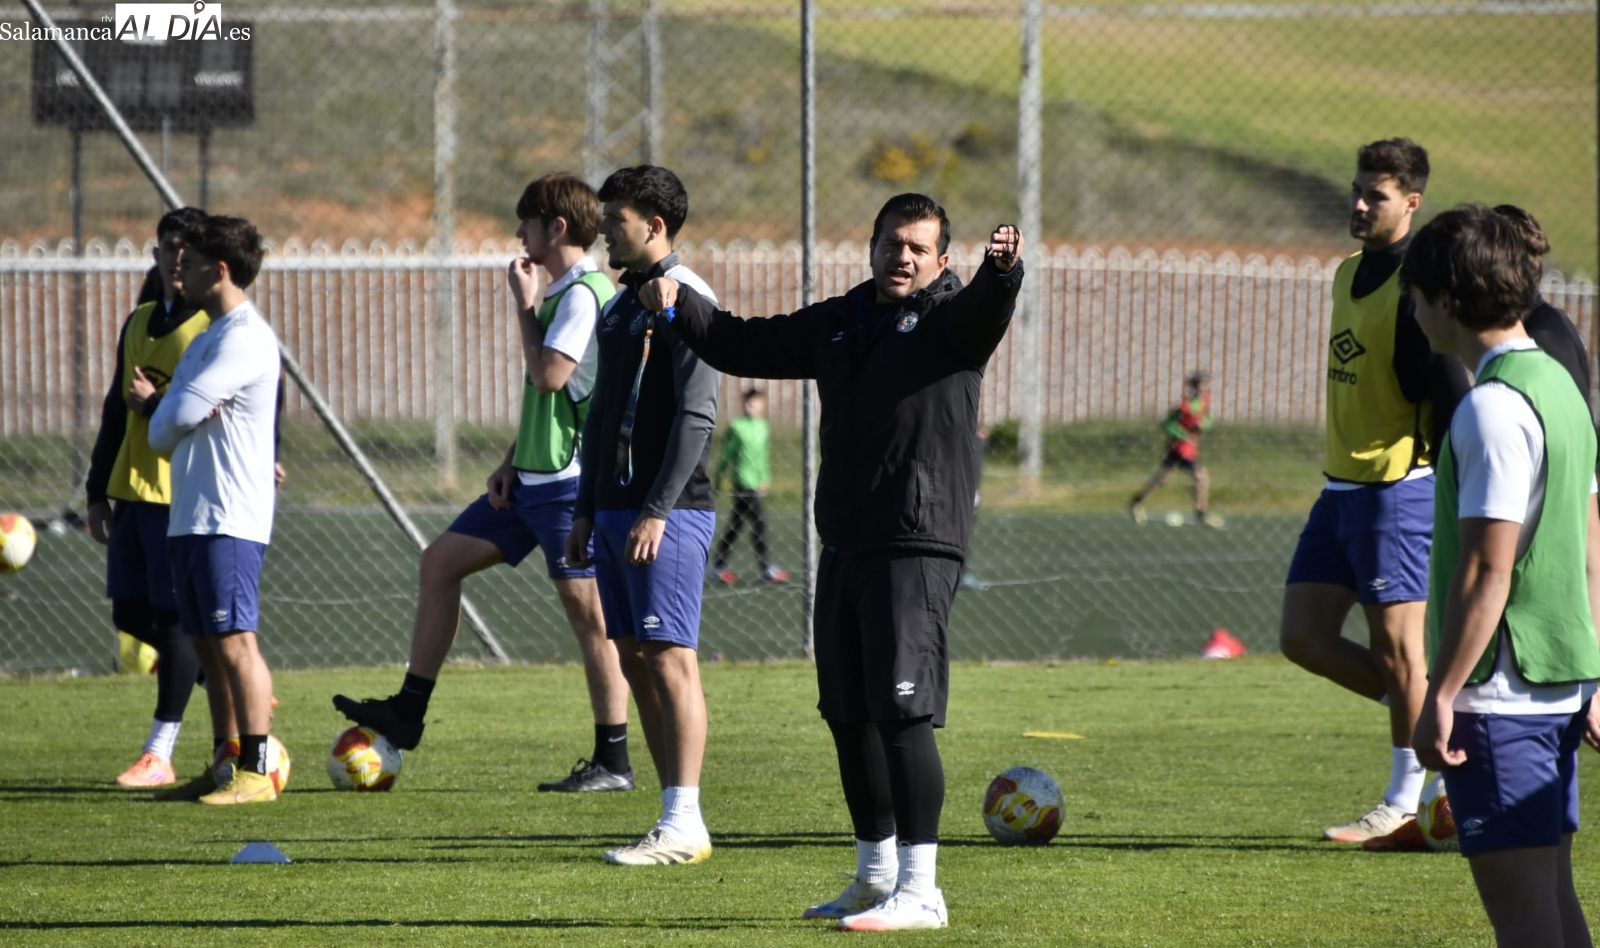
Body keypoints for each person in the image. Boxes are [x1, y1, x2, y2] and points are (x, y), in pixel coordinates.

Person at [638, 194, 1024, 930]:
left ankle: (923, 890)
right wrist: (673, 292)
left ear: (942, 260)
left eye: (918, 247)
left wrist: (1002, 271)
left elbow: (986, 307)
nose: (902, 256)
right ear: (871, 245)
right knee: (849, 714)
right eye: (891, 243)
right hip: (845, 543)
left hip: (915, 542)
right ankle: (876, 876)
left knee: (903, 712)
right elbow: (741, 343)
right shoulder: (842, 320)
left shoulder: (951, 321)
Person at [333, 172, 636, 794]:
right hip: (531, 477)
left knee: (590, 619)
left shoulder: (583, 294)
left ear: (556, 228)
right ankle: (408, 712)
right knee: (440, 561)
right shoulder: (562, 293)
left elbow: (552, 376)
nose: (517, 233)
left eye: (525, 222)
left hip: (567, 484)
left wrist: (523, 305)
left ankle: (614, 760)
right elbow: (551, 393)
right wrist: (509, 458)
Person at [1404, 204, 1600, 948]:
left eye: (1417, 297)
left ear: (1448, 301)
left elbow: (1489, 569)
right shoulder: (1560, 388)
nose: (1414, 313)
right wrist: (1595, 675)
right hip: (1558, 687)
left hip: (1498, 701)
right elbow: (1590, 547)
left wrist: (1442, 692)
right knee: (1556, 909)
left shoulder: (1489, 409)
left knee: (1526, 930)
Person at [1277, 138, 1472, 843]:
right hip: (1339, 491)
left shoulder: (1418, 291)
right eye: (1356, 190)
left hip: (1398, 491)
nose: (1359, 204)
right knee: (1302, 638)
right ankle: (1447, 719)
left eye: (1377, 196)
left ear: (1412, 203)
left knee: (1400, 655)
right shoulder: (1347, 272)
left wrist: (1456, 490)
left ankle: (1405, 801)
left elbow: (1453, 395)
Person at [563, 165, 721, 864]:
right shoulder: (623, 303)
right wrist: (587, 508)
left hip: (669, 512)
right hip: (616, 510)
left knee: (669, 659)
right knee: (633, 658)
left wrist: (657, 510)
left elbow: (697, 416)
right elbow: (600, 416)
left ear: (654, 226)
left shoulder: (689, 297)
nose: (603, 230)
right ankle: (673, 816)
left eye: (615, 219)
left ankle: (685, 820)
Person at [148, 213, 284, 805]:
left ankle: (257, 769)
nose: (180, 270)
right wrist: (177, 407)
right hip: (192, 515)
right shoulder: (205, 337)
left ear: (219, 270)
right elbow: (162, 428)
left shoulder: (245, 337)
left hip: (229, 515)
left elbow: (171, 417)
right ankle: (226, 762)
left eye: (192, 262)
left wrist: (177, 407)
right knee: (206, 642)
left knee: (235, 643)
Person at [85, 206, 210, 787]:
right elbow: (116, 405)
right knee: (130, 613)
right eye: (167, 251)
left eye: (187, 253)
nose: (176, 263)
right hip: (131, 490)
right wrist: (95, 489)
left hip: (177, 492)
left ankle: (159, 752)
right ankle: (229, 676)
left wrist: (155, 404)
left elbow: (221, 408)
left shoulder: (211, 326)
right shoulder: (139, 320)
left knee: (172, 620)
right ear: (155, 256)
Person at [710, 387, 787, 585]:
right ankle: (766, 568)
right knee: (759, 523)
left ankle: (718, 566)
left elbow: (763, 456)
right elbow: (727, 454)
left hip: (756, 483)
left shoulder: (763, 427)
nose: (750, 406)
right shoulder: (737, 426)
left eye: (755, 402)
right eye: (747, 402)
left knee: (735, 526)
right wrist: (718, 476)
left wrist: (765, 478)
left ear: (762, 405)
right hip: (742, 483)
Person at [1128, 371, 1222, 529]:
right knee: (1201, 477)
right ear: (1193, 386)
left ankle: (1135, 503)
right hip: (1180, 448)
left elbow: (1208, 420)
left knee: (1162, 479)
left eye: (1205, 385)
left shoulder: (1204, 402)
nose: (1203, 388)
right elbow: (1166, 424)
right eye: (1200, 385)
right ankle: (1201, 514)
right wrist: (1181, 434)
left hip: (1190, 449)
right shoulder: (1184, 406)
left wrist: (1202, 426)